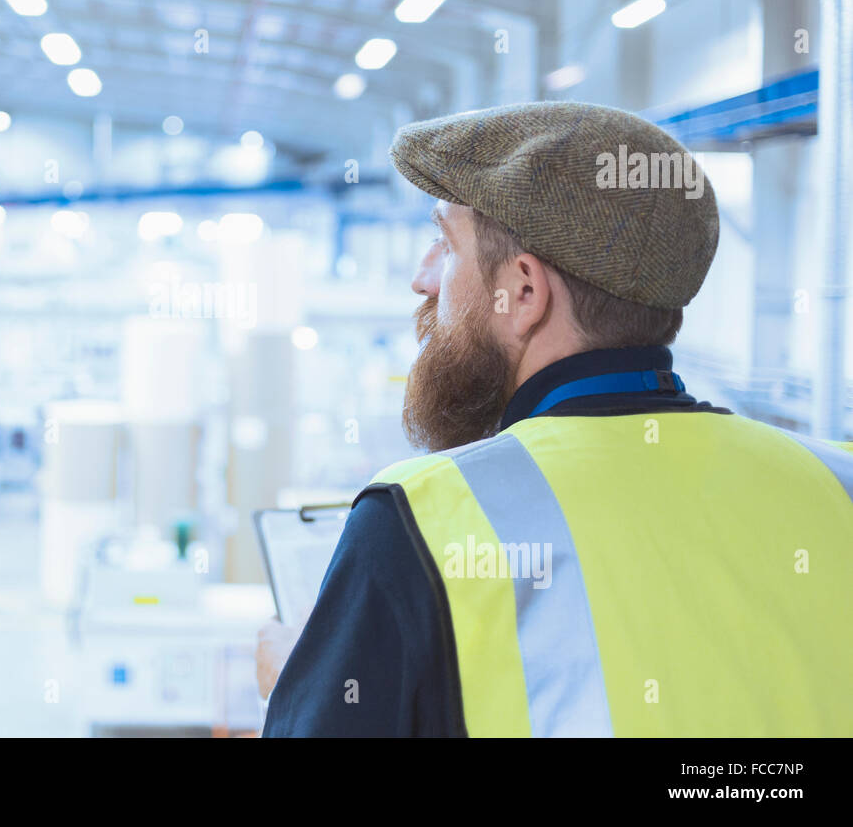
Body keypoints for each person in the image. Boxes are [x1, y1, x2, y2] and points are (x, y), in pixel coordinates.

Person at [257, 101, 853, 737]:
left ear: (522, 292)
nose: (422, 278)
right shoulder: (836, 484)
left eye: (445, 243)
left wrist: (301, 687)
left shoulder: (422, 522)